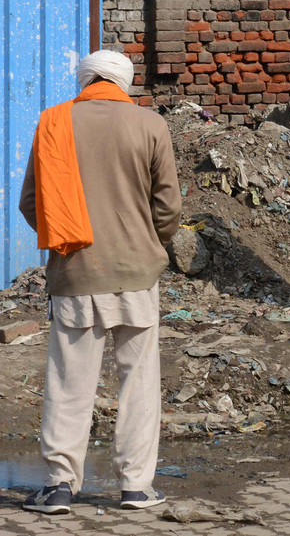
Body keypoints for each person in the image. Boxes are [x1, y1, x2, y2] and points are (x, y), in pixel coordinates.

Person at [19, 50, 182, 514]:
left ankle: (58, 487)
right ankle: (136, 487)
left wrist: (64, 240)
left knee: (70, 383)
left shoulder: (53, 122)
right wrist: (149, 240)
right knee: (138, 382)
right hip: (136, 274)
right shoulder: (151, 126)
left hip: (75, 273)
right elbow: (168, 208)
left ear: (86, 80)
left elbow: (32, 203)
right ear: (123, 84)